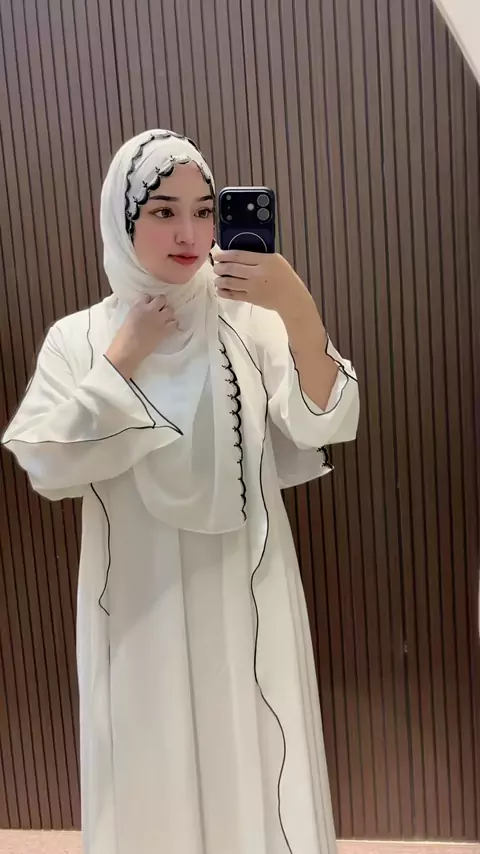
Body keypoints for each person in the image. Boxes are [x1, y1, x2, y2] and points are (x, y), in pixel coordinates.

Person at [2, 130, 359, 854]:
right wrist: (122, 359)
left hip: (246, 587)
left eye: (204, 210)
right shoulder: (80, 337)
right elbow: (46, 464)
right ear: (121, 217)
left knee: (254, 748)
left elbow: (326, 418)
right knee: (150, 757)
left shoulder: (248, 321)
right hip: (140, 601)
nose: (190, 234)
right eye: (164, 211)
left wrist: (296, 308)